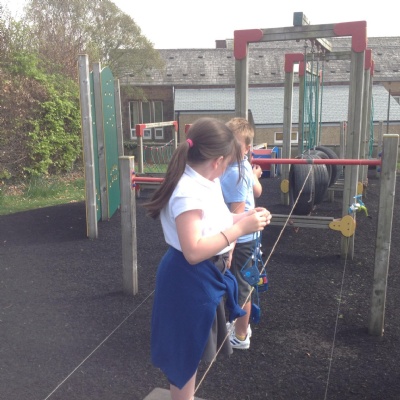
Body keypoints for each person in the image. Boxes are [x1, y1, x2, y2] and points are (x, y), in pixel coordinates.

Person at [143, 117, 271, 400]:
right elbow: (193, 251)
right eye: (229, 163)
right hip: (187, 279)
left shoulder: (206, 181)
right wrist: (240, 229)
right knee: (184, 356)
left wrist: (245, 217)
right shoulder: (187, 192)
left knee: (192, 351)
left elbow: (216, 222)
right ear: (218, 161)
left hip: (202, 277)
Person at [220, 117, 263, 350]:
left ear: (246, 148)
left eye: (235, 144)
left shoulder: (234, 174)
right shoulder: (244, 165)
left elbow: (235, 218)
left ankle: (240, 335)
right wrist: (254, 176)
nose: (229, 146)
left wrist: (229, 249)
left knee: (241, 287)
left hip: (241, 238)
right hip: (250, 237)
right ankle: (241, 328)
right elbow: (258, 191)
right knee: (245, 281)